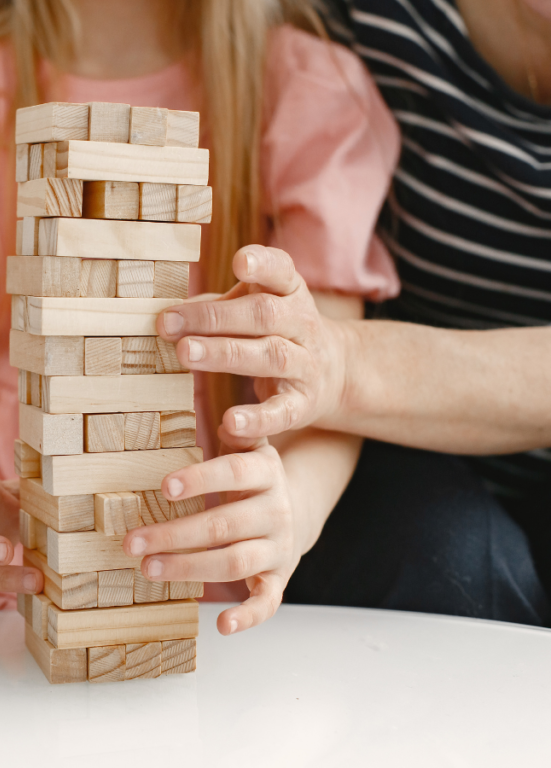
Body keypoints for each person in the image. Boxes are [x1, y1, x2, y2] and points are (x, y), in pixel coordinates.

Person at [0, 0, 401, 637]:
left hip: (195, 538)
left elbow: (323, 389)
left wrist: (295, 506)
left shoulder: (309, 91)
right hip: (2, 527)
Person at [158, 0, 551, 625]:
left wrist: (339, 362)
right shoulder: (357, 26)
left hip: (367, 395)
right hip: (396, 455)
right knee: (452, 561)